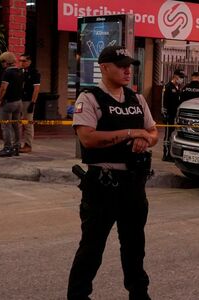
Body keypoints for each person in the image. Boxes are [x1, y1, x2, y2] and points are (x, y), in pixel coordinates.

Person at [68, 45, 158, 300]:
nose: (127, 70)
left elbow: (153, 132)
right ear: (104, 67)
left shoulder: (136, 99)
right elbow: (88, 138)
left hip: (134, 183)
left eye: (129, 65)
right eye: (121, 66)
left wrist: (145, 140)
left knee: (134, 247)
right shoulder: (90, 98)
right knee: (92, 249)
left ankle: (139, 294)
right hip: (103, 185)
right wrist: (131, 133)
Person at [0, 51, 25, 157]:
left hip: (8, 102)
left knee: (6, 126)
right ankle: (16, 146)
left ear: (6, 62)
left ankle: (7, 148)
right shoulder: (20, 72)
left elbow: (3, 88)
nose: (2, 64)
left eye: (2, 62)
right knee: (16, 125)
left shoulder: (7, 73)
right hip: (18, 102)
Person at [161, 69, 185, 161]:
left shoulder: (178, 87)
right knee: (168, 135)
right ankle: (166, 154)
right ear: (175, 76)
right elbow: (164, 101)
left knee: (173, 135)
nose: (182, 79)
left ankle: (172, 153)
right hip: (169, 115)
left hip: (176, 115)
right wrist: (164, 113)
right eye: (181, 77)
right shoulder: (167, 87)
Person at [19, 54, 40, 154]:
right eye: (20, 61)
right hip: (20, 100)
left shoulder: (34, 73)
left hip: (28, 100)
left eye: (24, 61)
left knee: (28, 124)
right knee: (19, 123)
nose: (21, 63)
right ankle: (18, 144)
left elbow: (36, 89)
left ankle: (28, 145)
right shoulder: (20, 72)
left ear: (29, 62)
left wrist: (33, 102)